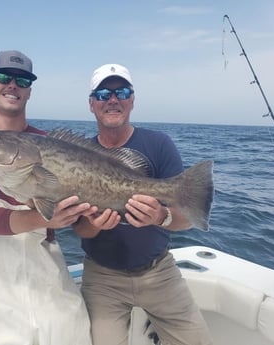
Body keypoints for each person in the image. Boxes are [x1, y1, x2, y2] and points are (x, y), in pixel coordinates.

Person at [0, 50, 94, 345]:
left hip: (50, 278)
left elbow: (81, 214)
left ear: (29, 91)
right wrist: (45, 216)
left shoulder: (49, 142)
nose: (13, 85)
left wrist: (95, 219)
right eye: (4, 77)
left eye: (22, 80)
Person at [73, 63, 213, 345]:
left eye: (121, 92)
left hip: (159, 272)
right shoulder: (76, 155)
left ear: (132, 101)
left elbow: (185, 218)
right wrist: (92, 224)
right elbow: (81, 230)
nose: (112, 99)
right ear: (91, 104)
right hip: (102, 279)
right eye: (103, 94)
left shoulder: (159, 144)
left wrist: (161, 216)